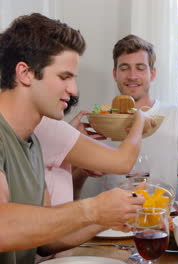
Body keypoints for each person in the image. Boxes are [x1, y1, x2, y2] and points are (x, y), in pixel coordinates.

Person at [0, 13, 144, 264]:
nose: (74, 90)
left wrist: (104, 217)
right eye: (64, 77)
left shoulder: (32, 144)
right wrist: (93, 209)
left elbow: (46, 242)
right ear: (25, 73)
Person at [96, 34, 178, 210]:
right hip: (114, 219)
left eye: (140, 68)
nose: (132, 76)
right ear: (115, 74)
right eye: (124, 68)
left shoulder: (176, 115)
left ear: (152, 73)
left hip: (163, 216)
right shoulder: (101, 121)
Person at [35, 95, 155, 206]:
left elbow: (70, 198)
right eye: (63, 77)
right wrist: (139, 120)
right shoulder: (46, 127)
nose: (73, 90)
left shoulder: (42, 128)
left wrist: (70, 138)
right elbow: (123, 162)